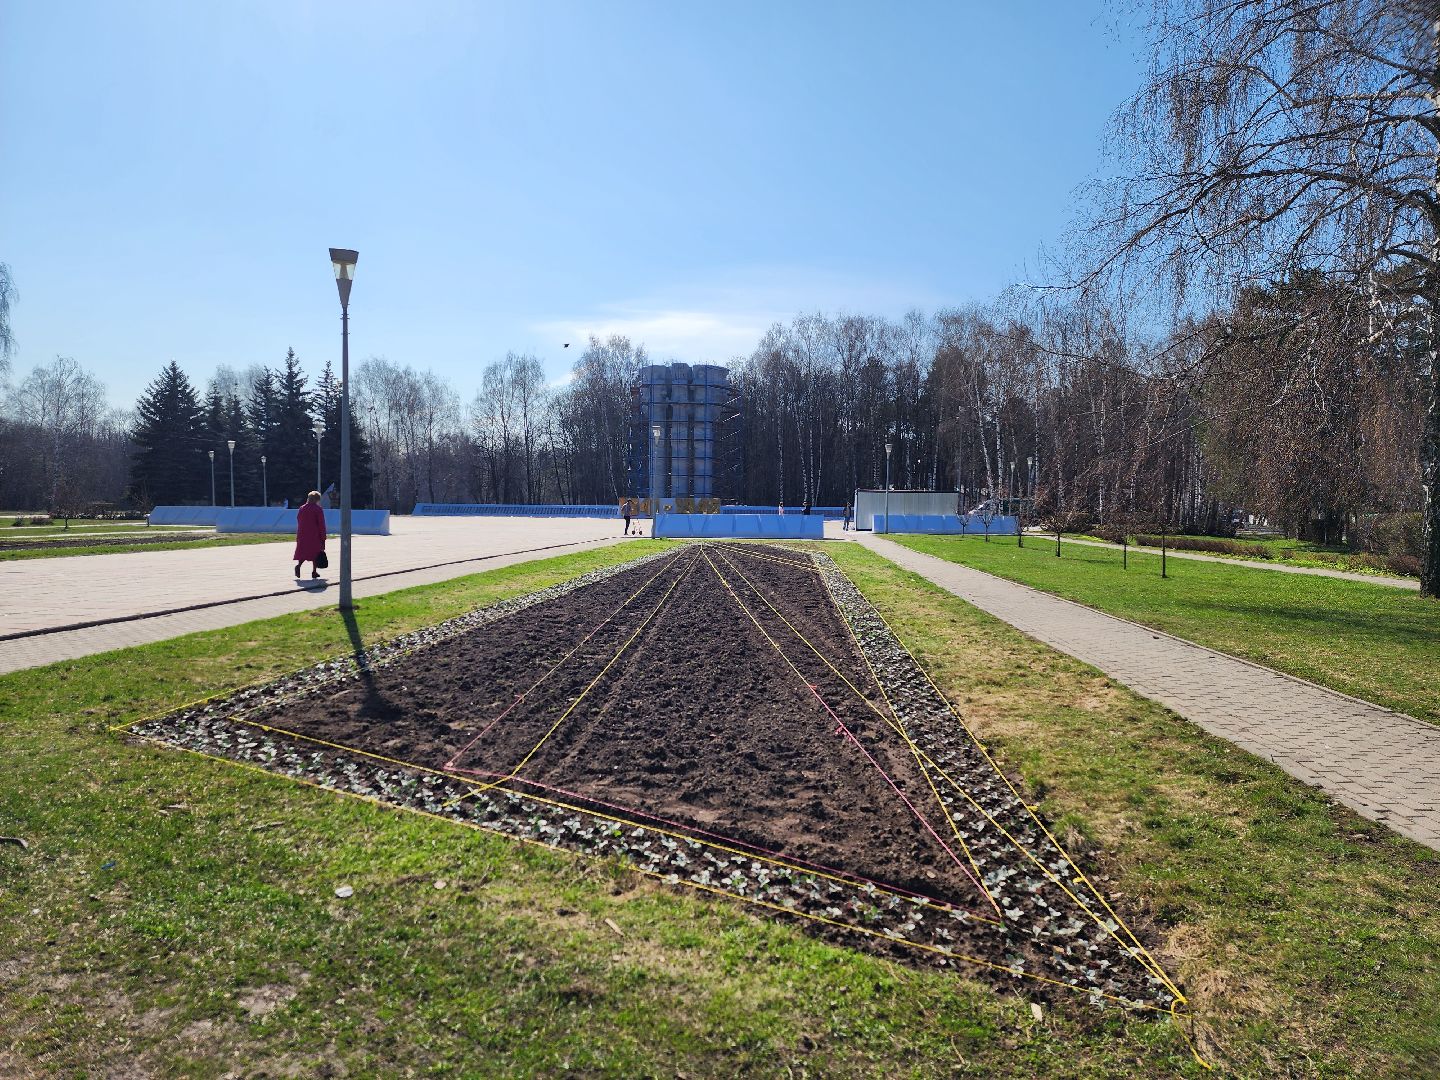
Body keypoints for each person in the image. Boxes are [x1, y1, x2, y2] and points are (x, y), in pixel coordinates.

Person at [293, 490, 327, 579]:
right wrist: (323, 536)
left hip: (302, 534)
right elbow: (321, 524)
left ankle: (299, 566)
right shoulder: (318, 509)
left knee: (303, 551)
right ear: (317, 499)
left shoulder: (302, 508)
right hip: (314, 535)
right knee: (316, 552)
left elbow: (298, 519)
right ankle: (314, 571)